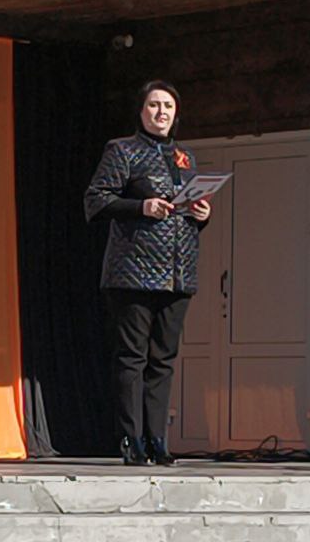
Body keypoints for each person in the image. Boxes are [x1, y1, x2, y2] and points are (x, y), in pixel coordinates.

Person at [84, 80, 211, 466]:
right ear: (141, 111)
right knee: (132, 357)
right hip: (134, 271)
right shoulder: (122, 150)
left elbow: (186, 209)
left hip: (178, 273)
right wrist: (142, 207)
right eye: (154, 105)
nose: (161, 113)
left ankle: (157, 438)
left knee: (164, 359)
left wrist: (201, 214)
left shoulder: (184, 157)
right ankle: (131, 438)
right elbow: (96, 200)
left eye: (168, 107)